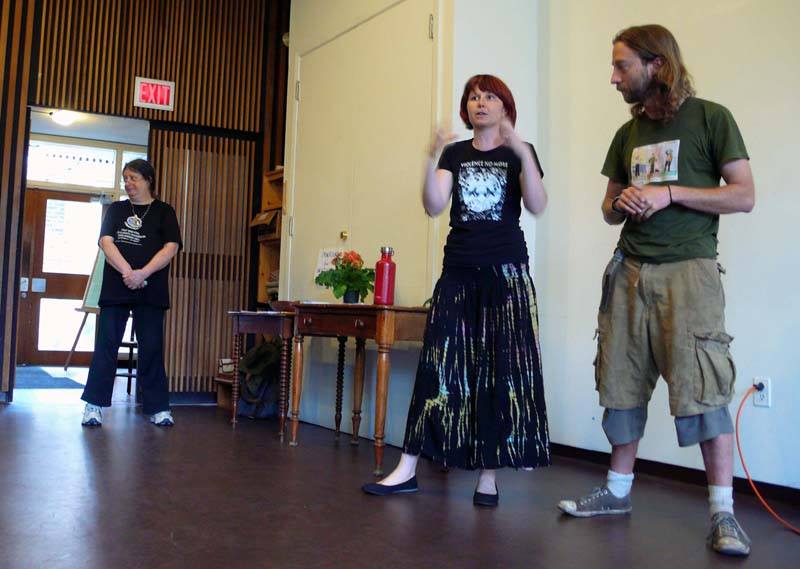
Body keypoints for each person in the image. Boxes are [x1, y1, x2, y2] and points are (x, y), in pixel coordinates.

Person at [557, 25, 755, 557]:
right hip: (628, 270)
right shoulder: (628, 134)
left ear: (656, 65)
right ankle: (617, 493)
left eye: (622, 66)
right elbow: (606, 207)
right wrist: (620, 204)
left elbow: (743, 196)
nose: (614, 77)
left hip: (689, 272)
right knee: (619, 381)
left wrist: (669, 194)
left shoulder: (712, 118)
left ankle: (723, 514)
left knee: (703, 387)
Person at [362, 74, 551, 506]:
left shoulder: (519, 153)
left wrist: (522, 152)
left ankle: (489, 476)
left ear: (505, 106)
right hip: (458, 272)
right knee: (436, 366)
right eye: (473, 97)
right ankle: (407, 468)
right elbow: (433, 205)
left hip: (506, 275)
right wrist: (430, 157)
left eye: (489, 96)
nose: (480, 103)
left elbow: (538, 205)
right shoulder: (454, 152)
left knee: (497, 371)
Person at [81, 159, 182, 427]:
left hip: (151, 289)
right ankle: (93, 406)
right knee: (106, 345)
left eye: (133, 178)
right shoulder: (117, 209)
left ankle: (159, 408)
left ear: (149, 179)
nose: (128, 183)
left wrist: (143, 274)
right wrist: (128, 272)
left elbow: (171, 247)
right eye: (125, 178)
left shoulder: (164, 211)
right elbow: (106, 242)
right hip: (117, 287)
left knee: (151, 348)